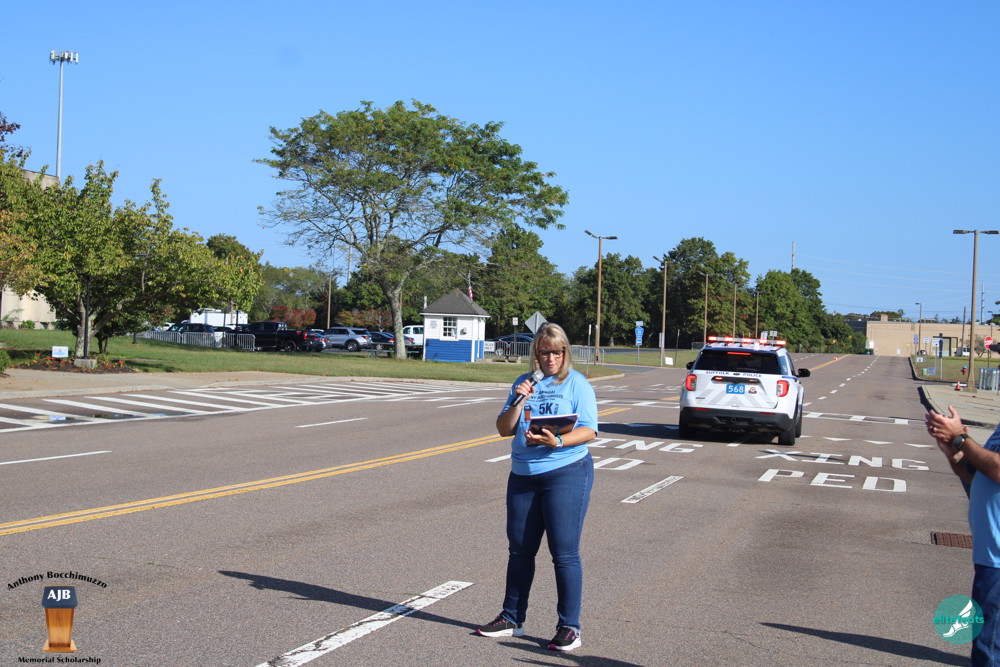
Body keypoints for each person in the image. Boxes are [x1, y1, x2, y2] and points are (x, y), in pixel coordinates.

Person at [476, 323, 598, 652]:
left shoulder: (577, 384)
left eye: (557, 352)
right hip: (523, 475)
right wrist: (518, 401)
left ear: (565, 352)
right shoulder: (524, 382)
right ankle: (512, 618)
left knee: (564, 552)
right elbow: (504, 428)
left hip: (566, 471)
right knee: (519, 550)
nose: (551, 359)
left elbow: (589, 430)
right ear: (536, 353)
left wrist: (557, 441)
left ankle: (569, 627)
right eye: (545, 352)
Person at [925, 404, 1000, 665]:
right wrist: (954, 452)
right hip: (990, 555)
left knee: (989, 650)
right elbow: (979, 475)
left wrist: (960, 438)